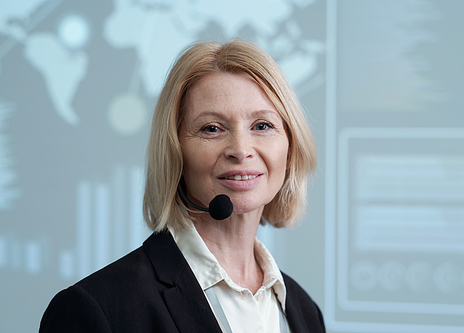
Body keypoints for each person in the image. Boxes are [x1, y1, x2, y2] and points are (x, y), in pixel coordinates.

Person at [39, 39, 324, 333]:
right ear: (176, 153)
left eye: (262, 126)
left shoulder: (305, 311)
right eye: (211, 128)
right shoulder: (98, 309)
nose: (240, 149)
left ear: (290, 151)